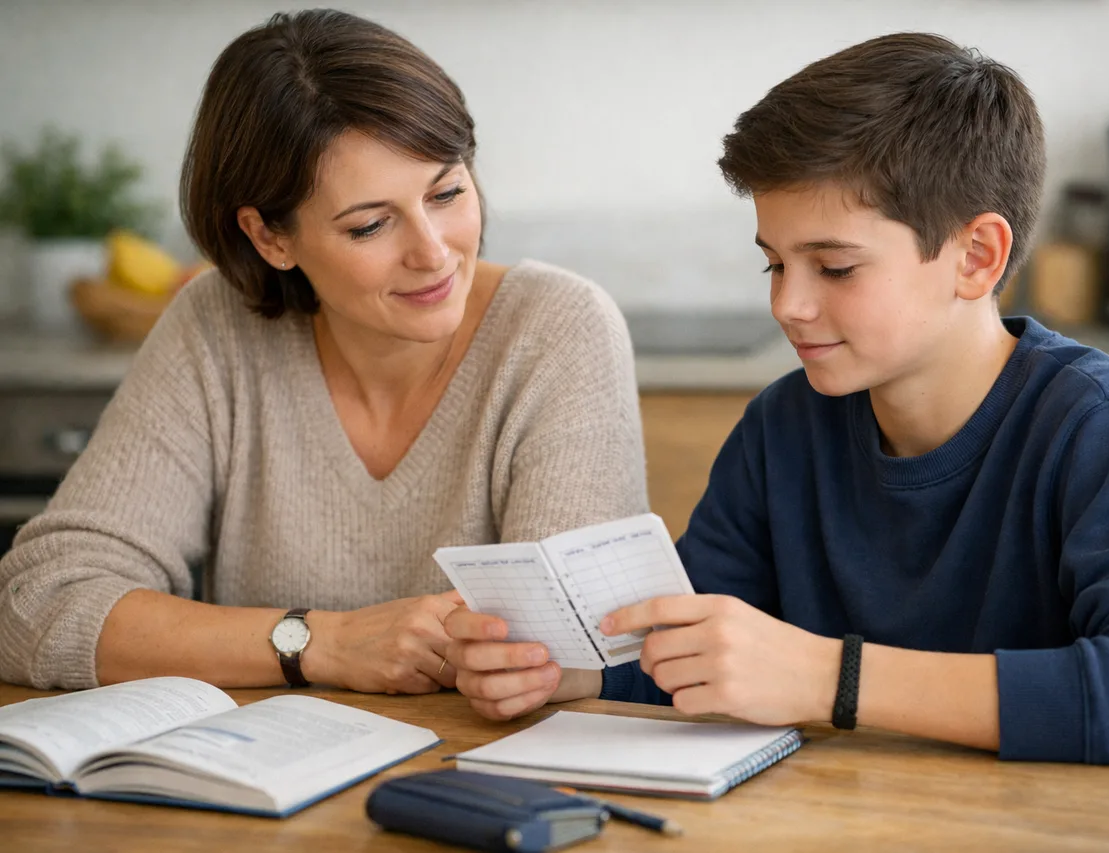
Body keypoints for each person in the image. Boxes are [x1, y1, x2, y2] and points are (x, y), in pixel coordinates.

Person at [442, 33, 1109, 773]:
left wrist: (827, 677)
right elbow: (701, 652)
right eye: (774, 263)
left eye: (834, 268)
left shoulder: (1097, 421)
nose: (788, 305)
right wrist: (568, 669)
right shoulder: (783, 427)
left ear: (976, 257)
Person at [0, 9, 646, 698]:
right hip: (254, 787)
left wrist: (529, 668)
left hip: (471, 784)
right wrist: (321, 641)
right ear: (270, 237)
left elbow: (575, 654)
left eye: (448, 192)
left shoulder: (557, 326)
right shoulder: (216, 325)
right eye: (369, 225)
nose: (433, 253)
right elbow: (36, 605)